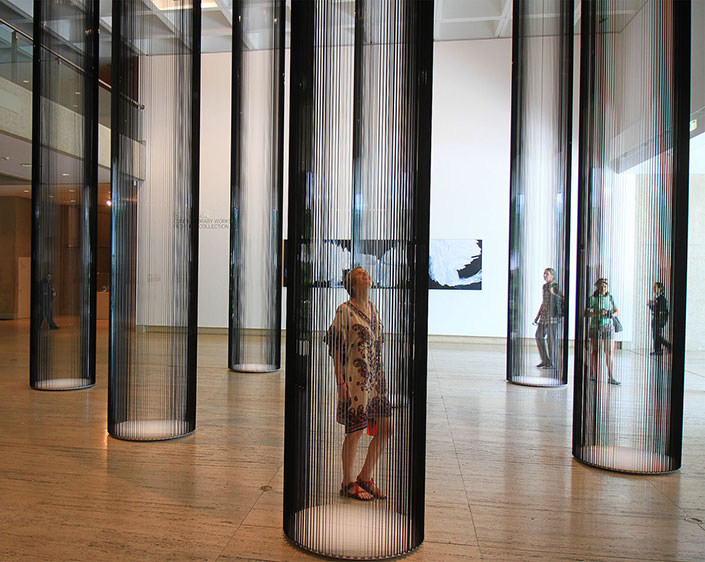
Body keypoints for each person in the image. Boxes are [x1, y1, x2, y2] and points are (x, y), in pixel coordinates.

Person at [325, 266, 392, 501]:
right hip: (355, 379)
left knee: (386, 428)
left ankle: (365, 476)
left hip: (376, 379)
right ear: (352, 284)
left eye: (366, 273)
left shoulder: (373, 309)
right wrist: (340, 382)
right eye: (360, 274)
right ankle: (347, 481)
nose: (366, 275)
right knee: (355, 431)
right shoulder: (345, 311)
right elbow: (335, 345)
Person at [587, 278, 620, 385]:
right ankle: (592, 373)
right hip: (596, 327)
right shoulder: (592, 299)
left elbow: (617, 311)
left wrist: (611, 314)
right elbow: (587, 312)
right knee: (595, 351)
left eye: (605, 286)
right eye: (601, 286)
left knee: (609, 352)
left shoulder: (610, 298)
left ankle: (611, 376)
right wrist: (598, 313)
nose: (603, 288)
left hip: (608, 327)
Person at [533, 268, 562, 369]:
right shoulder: (544, 286)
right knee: (538, 336)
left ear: (552, 276)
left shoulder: (556, 286)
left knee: (551, 339)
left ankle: (553, 362)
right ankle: (545, 360)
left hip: (553, 316)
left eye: (547, 274)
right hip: (544, 316)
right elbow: (544, 302)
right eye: (544, 273)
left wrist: (554, 293)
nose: (545, 275)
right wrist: (538, 315)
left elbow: (561, 298)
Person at [648, 282, 671, 356]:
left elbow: (658, 309)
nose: (654, 289)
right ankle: (658, 350)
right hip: (657, 318)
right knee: (656, 335)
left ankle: (668, 346)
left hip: (659, 319)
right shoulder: (658, 298)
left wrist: (651, 305)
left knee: (657, 335)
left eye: (656, 287)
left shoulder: (661, 298)